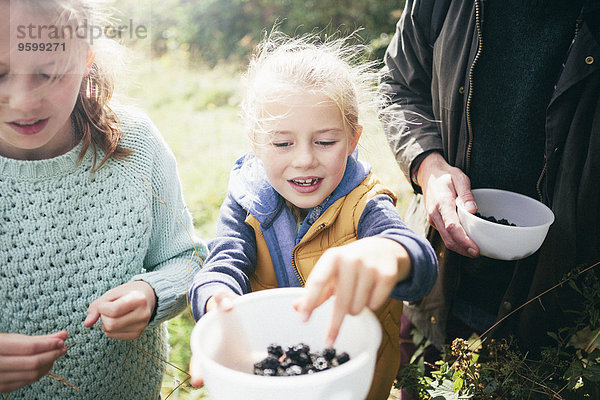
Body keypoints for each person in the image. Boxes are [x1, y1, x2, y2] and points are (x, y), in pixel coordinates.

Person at [188, 32, 438, 400]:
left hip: (352, 388)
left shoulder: (365, 203)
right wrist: (216, 301)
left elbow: (417, 259)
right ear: (255, 140)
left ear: (353, 139)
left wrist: (388, 253)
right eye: (282, 143)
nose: (304, 159)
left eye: (325, 141)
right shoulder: (245, 201)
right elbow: (223, 263)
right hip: (268, 381)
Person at [379, 0, 600, 397]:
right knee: (417, 379)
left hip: (558, 301)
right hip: (438, 272)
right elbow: (399, 86)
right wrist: (428, 168)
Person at [0, 0, 206, 398]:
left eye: (49, 73)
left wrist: (152, 293)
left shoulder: (135, 145)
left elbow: (189, 259)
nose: (24, 101)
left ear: (85, 60)